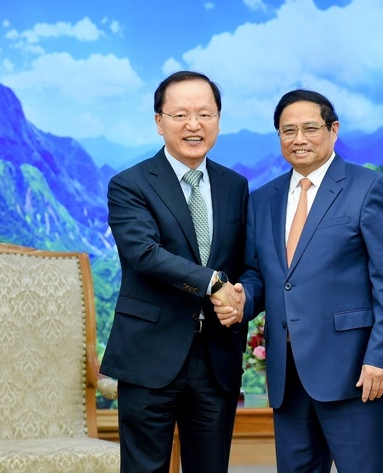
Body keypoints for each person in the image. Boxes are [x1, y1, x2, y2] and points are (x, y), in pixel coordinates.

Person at [214, 89, 383, 473]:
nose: (298, 139)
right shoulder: (262, 199)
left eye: (309, 128)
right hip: (288, 377)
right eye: (288, 131)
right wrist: (242, 299)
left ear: (333, 130)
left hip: (358, 374)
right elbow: (261, 274)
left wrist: (381, 358)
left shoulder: (370, 188)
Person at [100, 70, 248, 473]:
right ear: (158, 121)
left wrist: (242, 300)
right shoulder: (129, 184)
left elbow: (249, 263)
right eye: (180, 114)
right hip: (150, 354)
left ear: (219, 119)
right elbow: (144, 254)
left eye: (205, 113)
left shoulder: (235, 185)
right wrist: (213, 284)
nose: (194, 125)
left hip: (216, 358)